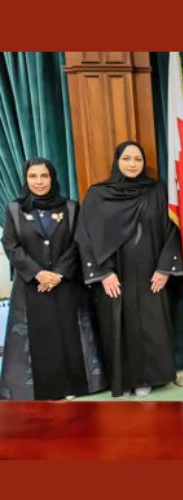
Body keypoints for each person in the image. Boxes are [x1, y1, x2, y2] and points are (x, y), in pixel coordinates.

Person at [75, 141, 183, 398]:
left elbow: (172, 228)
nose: (133, 164)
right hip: (114, 273)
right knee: (117, 325)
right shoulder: (98, 194)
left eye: (138, 159)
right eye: (127, 159)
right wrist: (102, 273)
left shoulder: (156, 191)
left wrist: (165, 267)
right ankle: (122, 381)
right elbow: (85, 236)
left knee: (149, 325)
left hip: (150, 272)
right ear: (117, 161)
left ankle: (147, 378)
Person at [0, 158, 105, 400]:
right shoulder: (15, 209)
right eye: (33, 176)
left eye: (44, 176)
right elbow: (11, 244)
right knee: (40, 337)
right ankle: (44, 390)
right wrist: (37, 273)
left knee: (69, 335)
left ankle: (72, 388)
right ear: (26, 179)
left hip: (65, 283)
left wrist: (58, 273)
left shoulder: (70, 207)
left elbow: (78, 242)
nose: (39, 181)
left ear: (52, 178)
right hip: (31, 286)